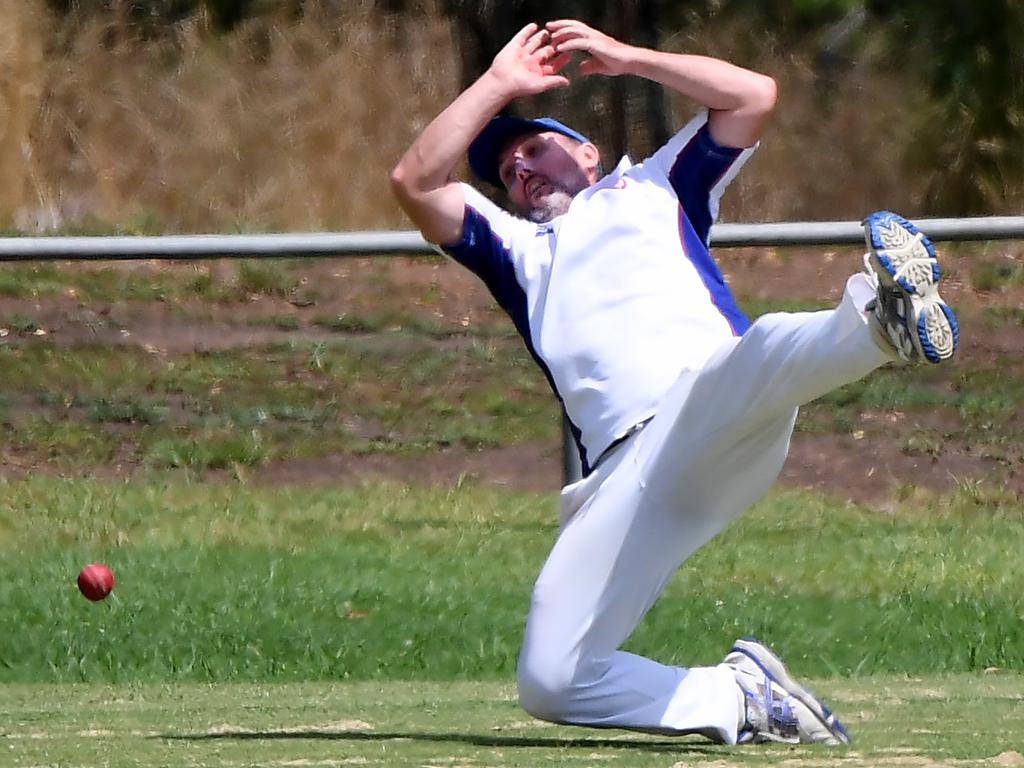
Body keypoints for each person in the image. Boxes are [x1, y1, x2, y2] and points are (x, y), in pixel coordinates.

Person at [390, 18, 958, 746]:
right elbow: (413, 179)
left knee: (748, 359)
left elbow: (751, 95)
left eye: (534, 147)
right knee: (553, 678)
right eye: (506, 169)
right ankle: (741, 700)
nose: (520, 169)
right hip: (631, 479)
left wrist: (629, 59)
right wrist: (501, 81)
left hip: (712, 407)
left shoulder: (657, 184)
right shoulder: (514, 251)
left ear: (588, 153)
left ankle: (882, 322)